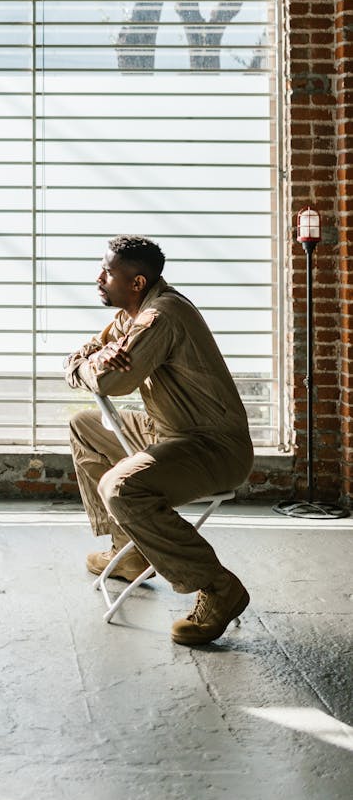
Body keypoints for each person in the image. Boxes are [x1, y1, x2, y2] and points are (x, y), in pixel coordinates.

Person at [65, 235, 253, 646]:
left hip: (212, 446)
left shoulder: (160, 316)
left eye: (108, 271)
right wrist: (89, 361)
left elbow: (114, 381)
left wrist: (90, 365)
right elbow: (79, 358)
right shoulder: (130, 316)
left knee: (121, 487)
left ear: (136, 282)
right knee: (85, 425)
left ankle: (220, 588)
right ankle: (129, 550)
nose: (98, 278)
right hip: (167, 430)